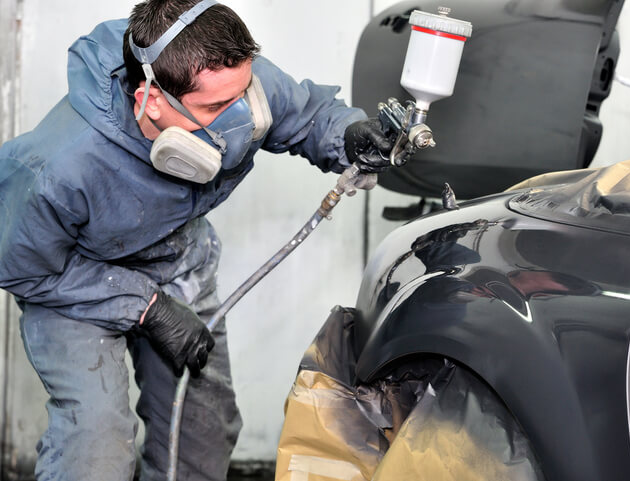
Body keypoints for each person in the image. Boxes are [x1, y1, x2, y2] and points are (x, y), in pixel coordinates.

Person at [0, 1, 394, 480]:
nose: (238, 124)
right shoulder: (59, 167)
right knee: (96, 446)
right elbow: (25, 268)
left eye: (241, 96)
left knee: (203, 432)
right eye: (213, 110)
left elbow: (306, 115)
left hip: (177, 262)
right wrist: (147, 307)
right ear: (150, 98)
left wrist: (348, 135)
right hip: (74, 286)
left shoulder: (224, 76)